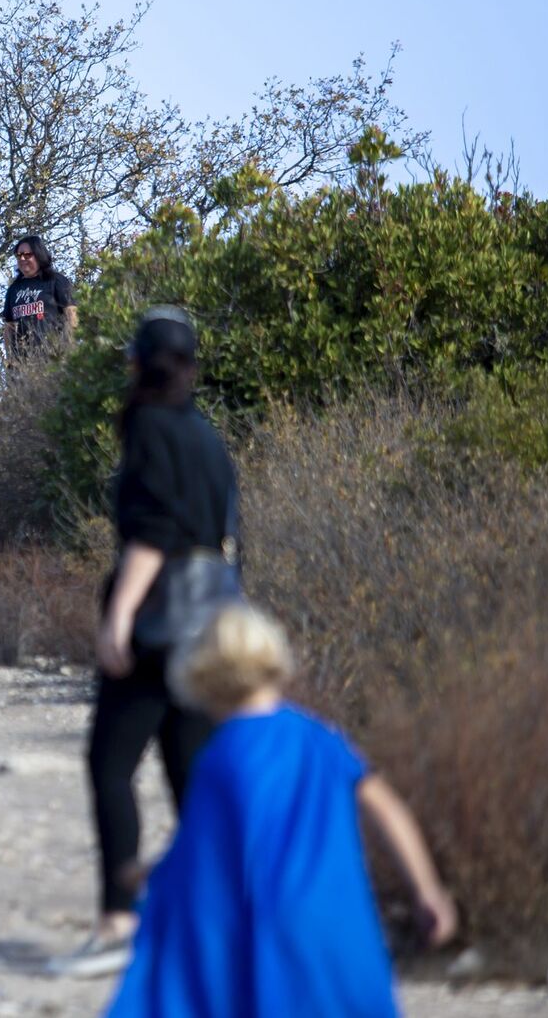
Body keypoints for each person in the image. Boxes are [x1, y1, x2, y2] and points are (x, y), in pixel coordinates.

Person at [104, 604, 458, 1017]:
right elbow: (389, 811)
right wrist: (427, 889)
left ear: (204, 680)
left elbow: (203, 855)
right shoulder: (321, 738)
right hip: (336, 920)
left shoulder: (221, 757)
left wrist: (149, 873)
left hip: (271, 923)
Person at [57, 306, 237, 978]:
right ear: (189, 366)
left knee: (111, 766)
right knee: (190, 778)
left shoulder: (148, 425)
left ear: (138, 362)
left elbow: (154, 533)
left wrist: (119, 617)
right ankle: (207, 929)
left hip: (158, 624)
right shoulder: (206, 434)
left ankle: (118, 921)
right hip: (210, 625)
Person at [1, 235, 75, 359]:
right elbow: (9, 327)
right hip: (23, 362)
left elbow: (72, 314)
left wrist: (71, 350)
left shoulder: (56, 281)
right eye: (18, 255)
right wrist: (10, 360)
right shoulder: (13, 289)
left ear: (38, 255)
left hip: (54, 357)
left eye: (27, 255)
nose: (22, 258)